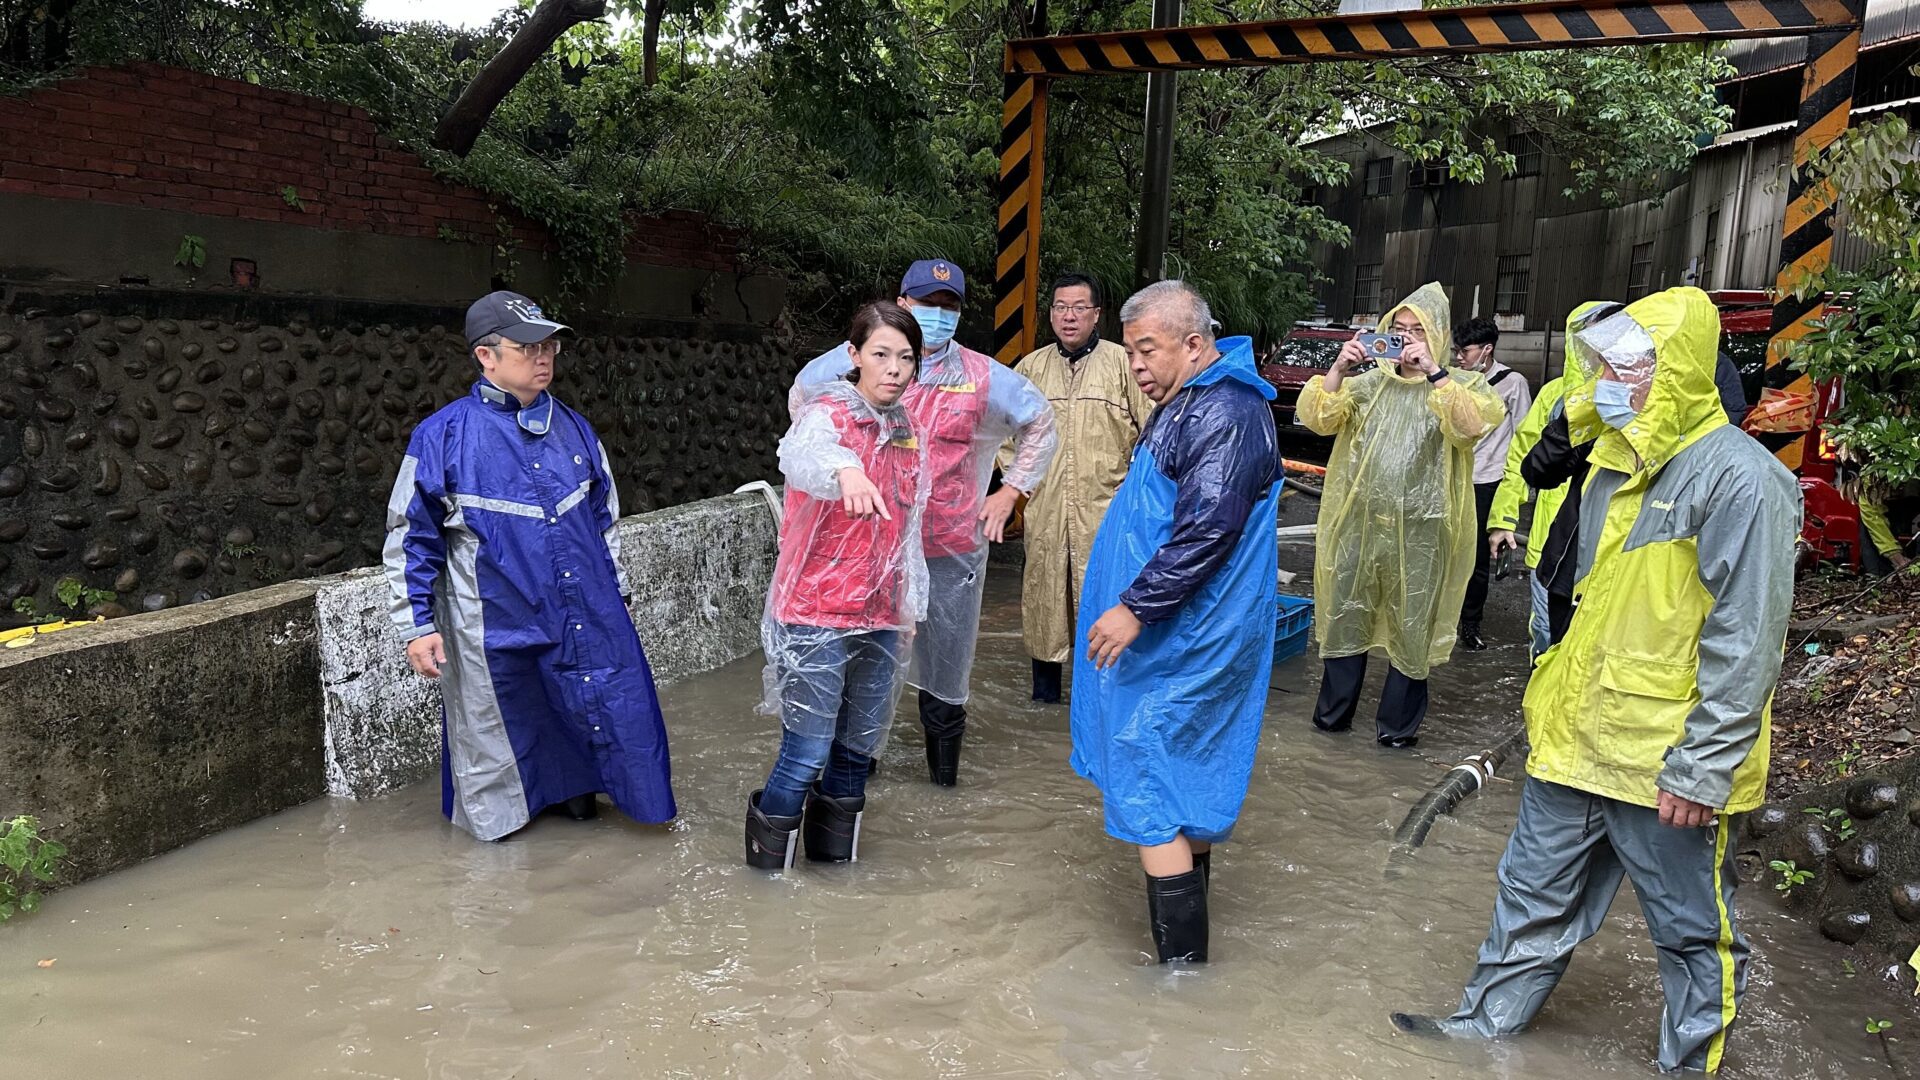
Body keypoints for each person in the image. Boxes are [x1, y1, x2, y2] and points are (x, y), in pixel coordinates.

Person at [1391, 286, 1801, 1074]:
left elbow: (1746, 641)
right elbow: (1594, 605)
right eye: (1606, 366)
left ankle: (1689, 1065)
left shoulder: (1741, 481)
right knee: (1529, 893)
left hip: (1668, 759)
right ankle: (1486, 1026)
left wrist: (1705, 766)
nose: (1610, 380)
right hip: (1579, 734)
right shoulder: (1613, 458)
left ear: (1675, 370)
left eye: (1627, 367)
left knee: (1691, 930)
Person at [384, 290, 675, 841]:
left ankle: (581, 799)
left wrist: (617, 595)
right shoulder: (443, 436)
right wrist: (417, 626)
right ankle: (506, 843)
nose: (544, 357)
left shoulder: (575, 428)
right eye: (527, 347)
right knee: (502, 720)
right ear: (485, 356)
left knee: (597, 702)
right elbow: (410, 538)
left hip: (585, 607)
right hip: (494, 617)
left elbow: (604, 521)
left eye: (550, 345)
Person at [1070, 281, 1280, 964]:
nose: (1136, 366)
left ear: (1194, 344)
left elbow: (1207, 530)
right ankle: (1190, 985)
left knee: (1150, 777)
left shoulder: (1223, 410)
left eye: (1147, 350)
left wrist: (1135, 608)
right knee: (1180, 779)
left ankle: (1180, 984)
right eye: (1130, 352)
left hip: (1186, 638)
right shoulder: (1192, 398)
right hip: (1184, 631)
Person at [795, 260, 1057, 786]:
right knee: (867, 656)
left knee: (947, 663)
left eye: (948, 307)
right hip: (869, 545)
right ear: (904, 301)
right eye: (927, 304)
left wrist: (1012, 490)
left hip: (949, 544)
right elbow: (804, 405)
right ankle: (854, 774)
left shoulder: (982, 377)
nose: (937, 316)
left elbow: (1041, 422)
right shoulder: (862, 359)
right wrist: (834, 478)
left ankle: (942, 781)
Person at [745, 304, 930, 869]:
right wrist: (846, 470)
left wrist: (910, 607)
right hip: (816, 611)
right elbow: (804, 456)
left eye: (905, 358)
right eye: (880, 354)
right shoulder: (824, 415)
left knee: (855, 755)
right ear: (853, 356)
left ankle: (834, 880)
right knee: (805, 753)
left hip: (881, 613)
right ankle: (766, 882)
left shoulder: (905, 427)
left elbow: (909, 529)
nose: (894, 369)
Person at [1296, 283, 1504, 748]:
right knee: (1347, 621)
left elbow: (1471, 427)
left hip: (1424, 534)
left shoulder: (1462, 385)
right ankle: (1331, 725)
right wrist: (1337, 369)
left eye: (1418, 332)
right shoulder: (1367, 385)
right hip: (1358, 528)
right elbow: (1318, 419)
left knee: (1413, 633)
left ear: (1438, 337)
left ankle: (1395, 735)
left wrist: (1434, 373)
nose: (1407, 340)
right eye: (1398, 330)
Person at [1011, 272, 1155, 704]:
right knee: (1045, 603)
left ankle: (1099, 706)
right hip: (1047, 511)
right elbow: (1003, 435)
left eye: (1078, 308)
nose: (1068, 317)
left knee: (1107, 601)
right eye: (1060, 308)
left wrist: (1134, 493)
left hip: (1107, 512)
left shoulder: (1123, 364)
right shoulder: (1030, 369)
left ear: (1096, 315)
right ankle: (1045, 703)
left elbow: (1154, 431)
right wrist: (1025, 483)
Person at [1485, 302, 1613, 659]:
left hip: (1608, 550)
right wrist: (1503, 520)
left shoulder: (1633, 397)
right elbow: (1521, 459)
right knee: (1546, 641)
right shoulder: (1557, 396)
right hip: (1551, 546)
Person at [1451, 316, 1532, 651]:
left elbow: (1525, 434)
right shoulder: (1451, 381)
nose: (1459, 357)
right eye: (1456, 350)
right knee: (1446, 550)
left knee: (1477, 556)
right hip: (1453, 477)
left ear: (1486, 350)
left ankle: (1470, 624)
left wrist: (1518, 486)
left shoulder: (1513, 383)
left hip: (1488, 479)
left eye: (1464, 351)